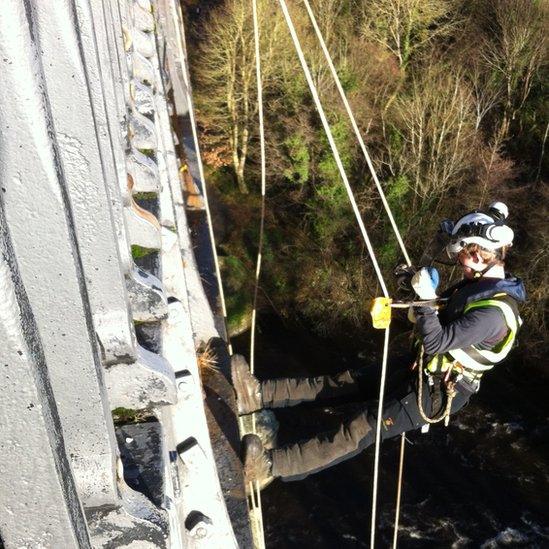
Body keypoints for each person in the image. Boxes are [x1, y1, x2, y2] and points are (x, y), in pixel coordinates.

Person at [232, 202, 526, 483]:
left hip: (437, 391)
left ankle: (270, 466)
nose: (460, 265)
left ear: (478, 255)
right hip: (421, 367)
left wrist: (423, 300)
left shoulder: (494, 314)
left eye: (462, 258)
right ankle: (257, 395)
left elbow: (437, 340)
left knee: (358, 430)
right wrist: (414, 287)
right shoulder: (479, 286)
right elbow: (440, 310)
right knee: (341, 383)